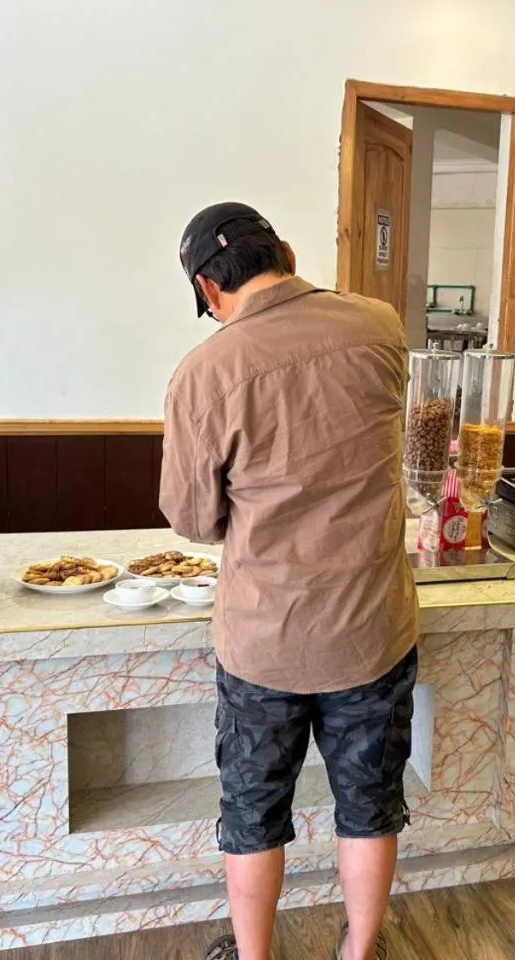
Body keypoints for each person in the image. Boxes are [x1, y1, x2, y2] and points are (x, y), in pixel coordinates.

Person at [160, 202, 418, 960]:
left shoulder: (204, 372)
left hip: (264, 640)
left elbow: (192, 519)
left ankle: (253, 957)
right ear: (289, 252)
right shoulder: (380, 326)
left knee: (253, 810)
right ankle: (360, 950)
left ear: (209, 289)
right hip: (372, 628)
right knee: (369, 806)